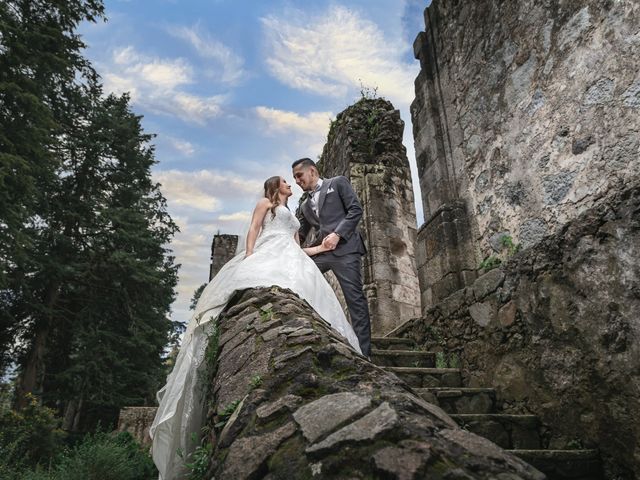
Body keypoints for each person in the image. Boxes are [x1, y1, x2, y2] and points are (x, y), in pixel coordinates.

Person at [149, 175, 362, 480]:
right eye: (287, 181)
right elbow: (253, 229)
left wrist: (323, 247)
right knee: (267, 284)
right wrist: (250, 256)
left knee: (306, 293)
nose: (291, 184)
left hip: (291, 257)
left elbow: (297, 246)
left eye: (294, 180)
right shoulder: (267, 203)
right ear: (276, 187)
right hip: (267, 250)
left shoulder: (294, 215)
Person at [292, 158, 372, 358]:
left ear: (312, 171)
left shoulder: (337, 183)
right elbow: (300, 234)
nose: (296, 181)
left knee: (355, 300)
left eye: (299, 176)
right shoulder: (304, 206)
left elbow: (355, 210)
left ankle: (365, 354)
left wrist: (338, 234)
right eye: (294, 178)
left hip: (346, 250)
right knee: (296, 276)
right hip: (323, 252)